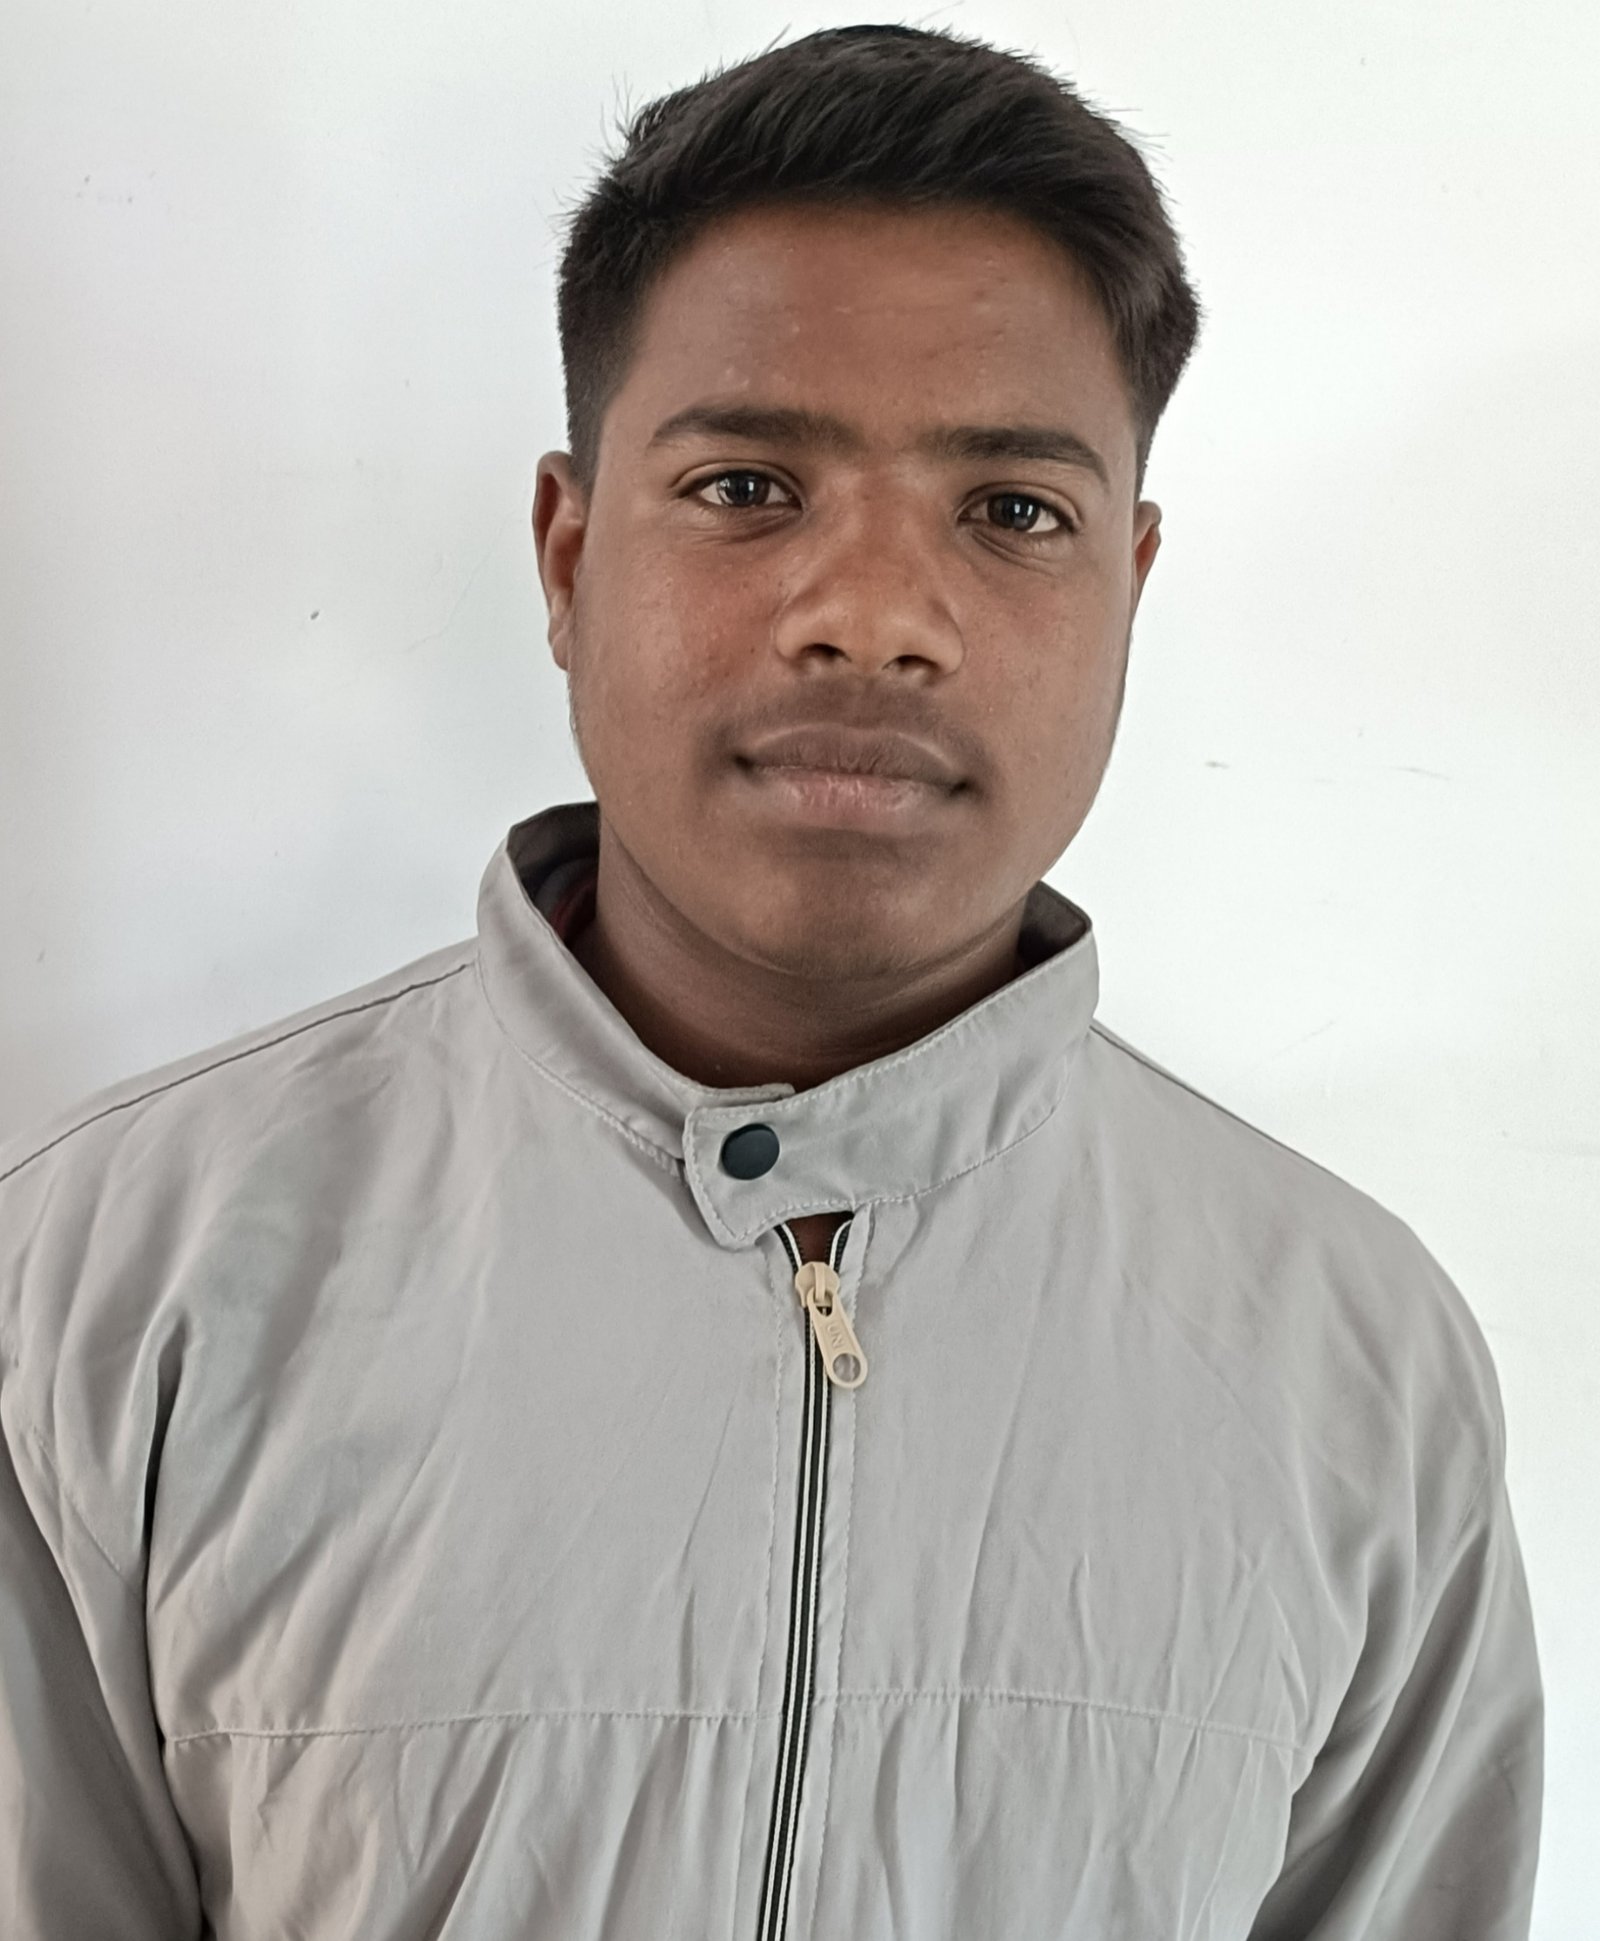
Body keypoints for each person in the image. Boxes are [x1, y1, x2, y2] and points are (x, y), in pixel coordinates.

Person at [0, 23, 1542, 1939]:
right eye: (745, 486)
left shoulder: (1358, 1370)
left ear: (1130, 588)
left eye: (1014, 511)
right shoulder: (117, 1280)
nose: (873, 617)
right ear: (568, 556)